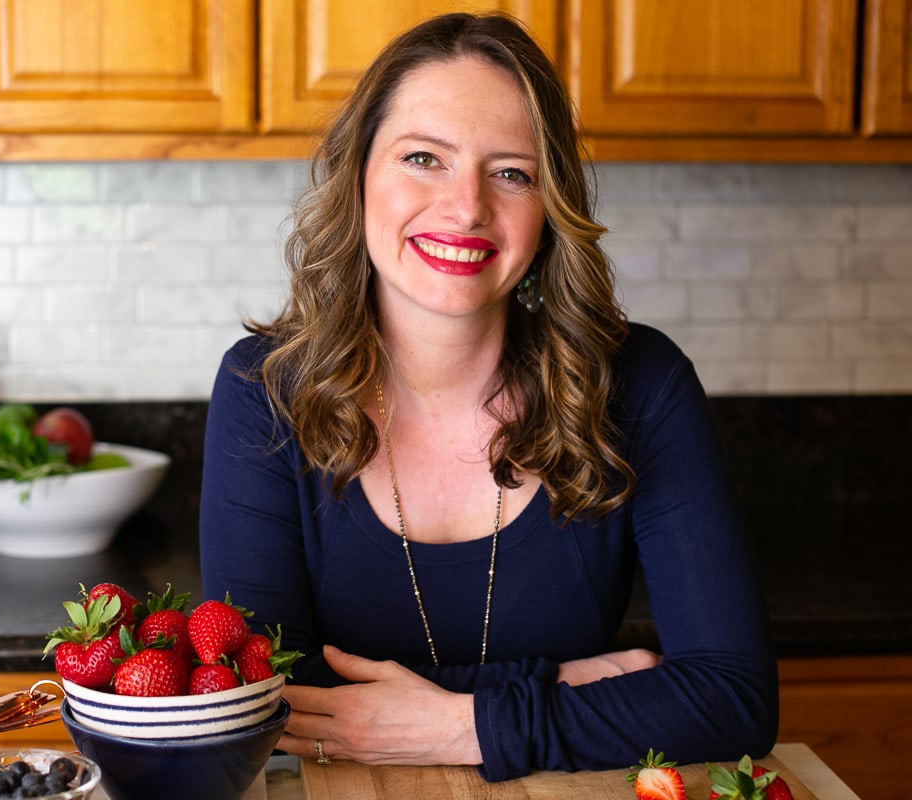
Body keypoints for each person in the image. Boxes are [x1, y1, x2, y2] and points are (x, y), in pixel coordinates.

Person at [198, 11, 778, 782]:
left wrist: (455, 725)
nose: (467, 206)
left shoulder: (640, 384)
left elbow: (735, 698)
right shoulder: (264, 391)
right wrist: (565, 685)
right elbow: (260, 704)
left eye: (512, 171)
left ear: (549, 209)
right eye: (424, 158)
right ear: (358, 174)